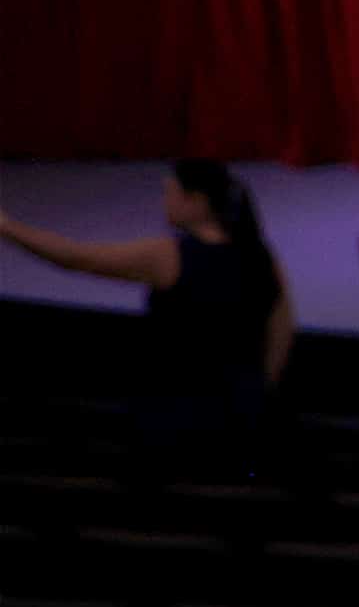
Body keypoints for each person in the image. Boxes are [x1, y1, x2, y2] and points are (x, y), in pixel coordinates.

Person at [2, 158, 294, 462]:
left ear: (196, 201)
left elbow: (77, 257)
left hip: (175, 419)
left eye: (171, 192)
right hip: (243, 415)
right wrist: (257, 390)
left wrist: (9, 227)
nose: (164, 201)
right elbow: (282, 328)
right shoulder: (264, 260)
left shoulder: (168, 256)